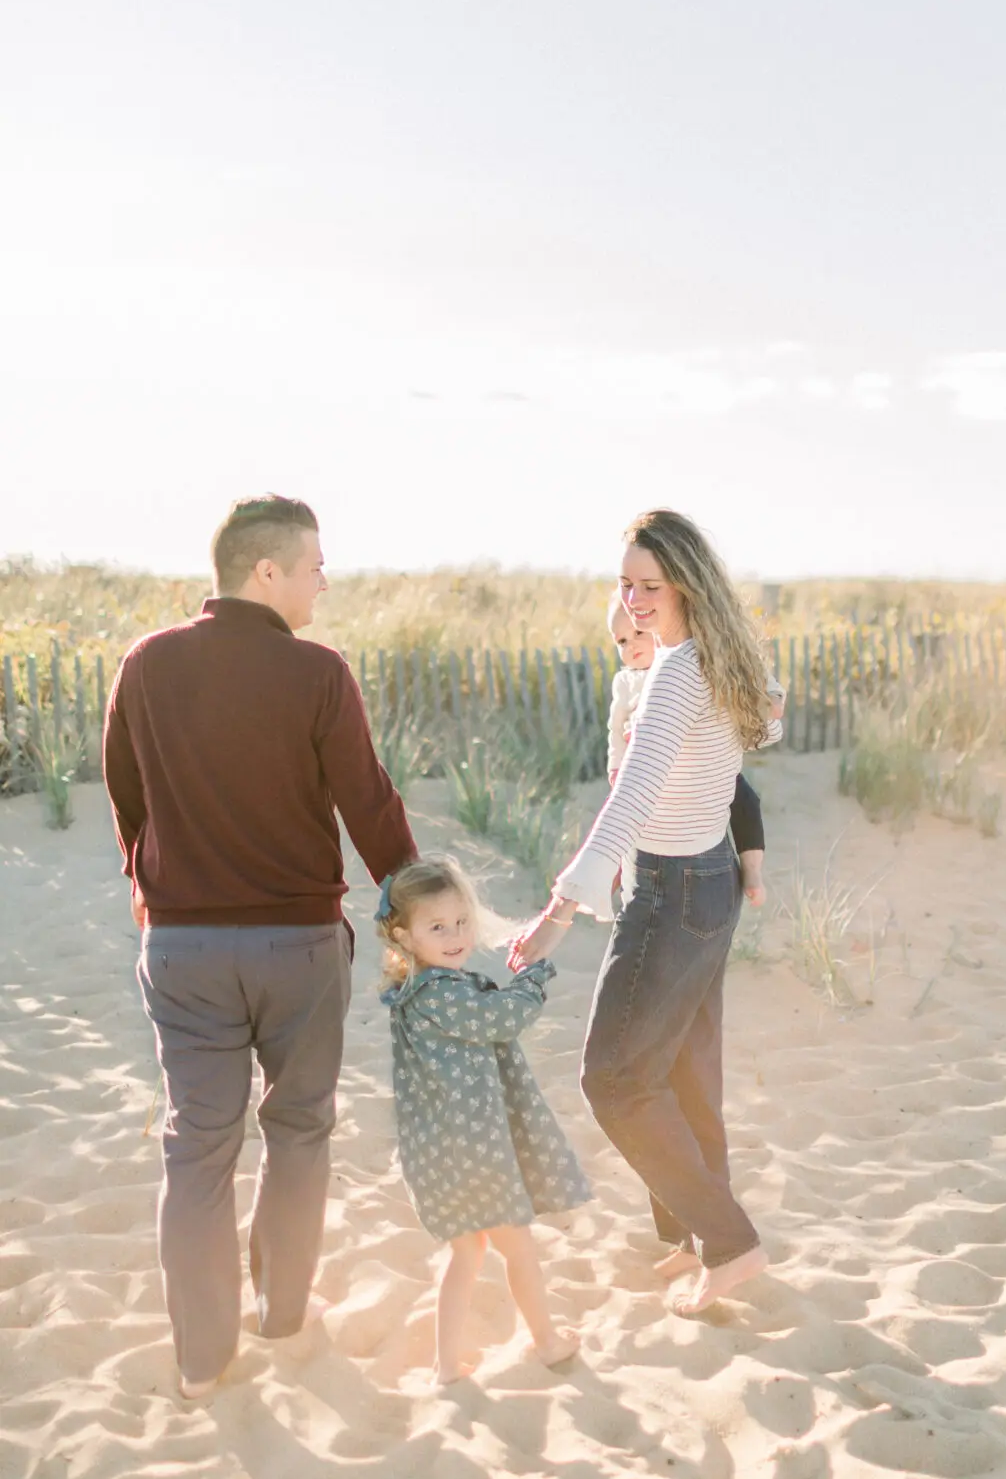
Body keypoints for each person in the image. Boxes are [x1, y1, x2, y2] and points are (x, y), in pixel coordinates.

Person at [103, 495, 418, 1400]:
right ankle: (283, 1315)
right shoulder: (319, 674)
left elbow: (125, 793)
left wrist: (146, 884)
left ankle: (203, 1360)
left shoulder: (147, 663)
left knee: (195, 1149)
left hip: (184, 949)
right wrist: (413, 908)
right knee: (299, 1130)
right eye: (314, 562)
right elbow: (369, 803)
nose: (325, 577)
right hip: (299, 949)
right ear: (264, 570)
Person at [510, 509, 781, 1315]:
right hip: (708, 884)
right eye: (624, 583)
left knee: (615, 1078)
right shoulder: (719, 661)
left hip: (674, 889)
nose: (631, 600)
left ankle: (728, 1242)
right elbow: (759, 733)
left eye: (648, 586)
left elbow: (632, 795)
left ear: (686, 585)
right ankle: (704, 1241)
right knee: (685, 1075)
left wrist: (560, 907)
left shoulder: (675, 674)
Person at [378, 856, 589, 1383]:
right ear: (404, 936)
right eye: (437, 927)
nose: (455, 936)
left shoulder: (419, 992)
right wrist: (533, 975)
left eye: (462, 922)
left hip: (447, 1149)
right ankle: (546, 1342)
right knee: (518, 1249)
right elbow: (501, 1018)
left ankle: (447, 1365)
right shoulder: (442, 992)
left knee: (467, 1253)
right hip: (473, 1151)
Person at [606, 592, 777, 908]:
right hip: (647, 769)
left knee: (745, 800)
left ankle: (752, 869)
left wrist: (770, 701)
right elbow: (616, 729)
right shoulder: (626, 682)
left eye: (638, 634)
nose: (631, 647)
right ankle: (617, 868)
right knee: (628, 814)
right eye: (621, 642)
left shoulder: (685, 666)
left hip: (702, 766)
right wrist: (616, 768)